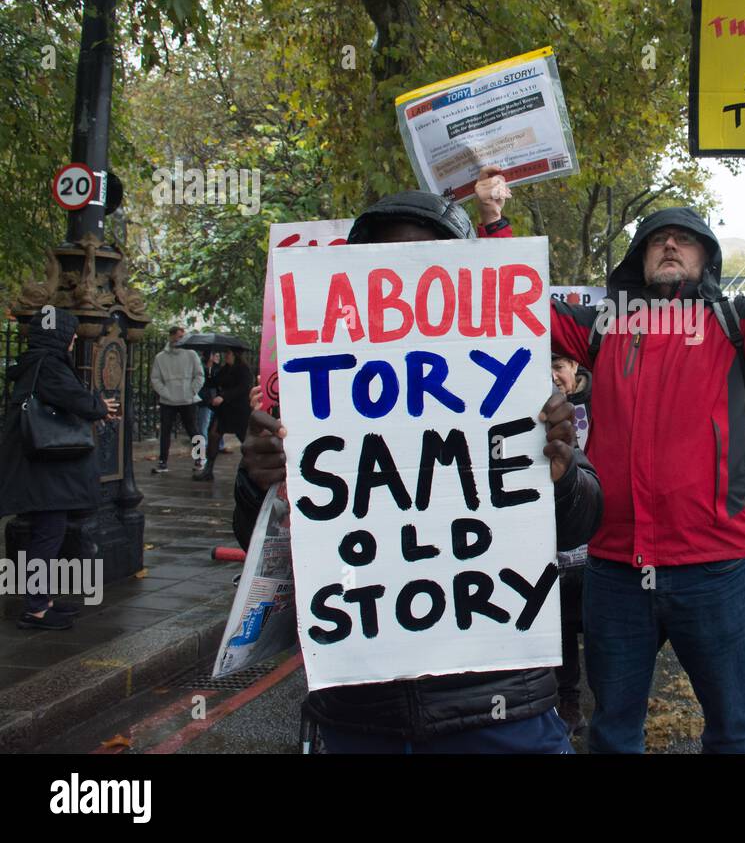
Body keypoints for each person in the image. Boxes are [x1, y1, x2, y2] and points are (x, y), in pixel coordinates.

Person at [234, 190, 603, 753]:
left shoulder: (515, 382)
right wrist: (260, 485)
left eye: (426, 263)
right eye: (382, 265)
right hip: (362, 712)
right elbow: (271, 549)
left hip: (501, 706)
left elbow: (580, 526)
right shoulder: (316, 396)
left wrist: (559, 474)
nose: (402, 281)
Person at [548, 120, 745, 753]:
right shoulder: (604, 326)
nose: (669, 246)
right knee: (612, 733)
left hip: (714, 569)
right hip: (614, 570)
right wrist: (495, 224)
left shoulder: (736, 322)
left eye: (684, 241)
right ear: (638, 258)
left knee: (734, 731)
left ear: (705, 259)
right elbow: (522, 309)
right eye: (658, 239)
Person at [0, 309, 119, 629]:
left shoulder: (39, 363)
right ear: (58, 335)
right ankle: (36, 609)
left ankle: (44, 601)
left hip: (41, 466)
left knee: (48, 532)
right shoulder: (49, 364)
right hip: (44, 469)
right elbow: (74, 398)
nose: (75, 337)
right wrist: (98, 407)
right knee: (47, 534)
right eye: (70, 332)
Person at [551, 352, 593, 736]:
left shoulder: (602, 400)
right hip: (554, 544)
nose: (553, 376)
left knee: (600, 628)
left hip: (598, 537)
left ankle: (612, 705)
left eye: (558, 366)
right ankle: (568, 703)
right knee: (561, 625)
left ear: (575, 368)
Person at [149, 326, 203, 474]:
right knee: (165, 431)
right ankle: (162, 462)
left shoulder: (191, 354)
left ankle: (200, 458)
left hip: (188, 400)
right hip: (168, 401)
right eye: (178, 336)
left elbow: (199, 375)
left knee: (193, 430)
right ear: (171, 337)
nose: (180, 339)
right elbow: (155, 379)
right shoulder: (160, 357)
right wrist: (166, 393)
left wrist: (191, 391)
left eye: (182, 336)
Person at [194, 349, 253, 481]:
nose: (225, 356)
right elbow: (214, 382)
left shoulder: (243, 369)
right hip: (224, 410)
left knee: (245, 439)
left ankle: (254, 467)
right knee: (213, 434)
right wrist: (208, 369)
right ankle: (208, 470)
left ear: (235, 355)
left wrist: (224, 396)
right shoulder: (225, 369)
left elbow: (244, 387)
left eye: (228, 353)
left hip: (239, 410)